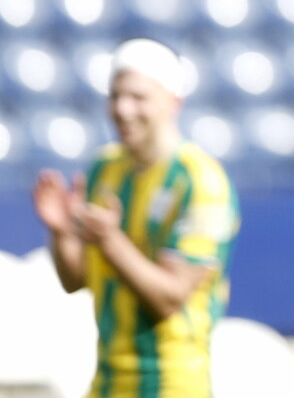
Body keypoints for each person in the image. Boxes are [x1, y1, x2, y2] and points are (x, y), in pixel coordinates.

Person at [30, 39, 239, 398]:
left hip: (171, 382)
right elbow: (75, 279)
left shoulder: (201, 182)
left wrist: (110, 241)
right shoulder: (105, 168)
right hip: (107, 380)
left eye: (139, 97)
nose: (123, 109)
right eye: (115, 96)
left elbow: (170, 298)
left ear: (174, 101)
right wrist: (62, 233)